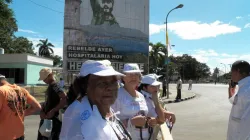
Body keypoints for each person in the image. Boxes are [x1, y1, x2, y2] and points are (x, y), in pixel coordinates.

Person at [60, 60, 131, 140]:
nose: (109, 88)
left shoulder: (106, 110)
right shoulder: (77, 113)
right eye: (101, 83)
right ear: (85, 86)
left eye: (113, 82)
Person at [112, 63, 153, 140]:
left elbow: (144, 115)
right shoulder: (117, 95)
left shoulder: (141, 96)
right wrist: (131, 122)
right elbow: (111, 122)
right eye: (130, 74)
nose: (133, 77)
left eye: (136, 74)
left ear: (139, 77)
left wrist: (150, 120)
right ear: (123, 78)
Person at [0, 74, 41, 140]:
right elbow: (37, 106)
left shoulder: (1, 91)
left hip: (4, 136)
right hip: (19, 134)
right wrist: (20, 113)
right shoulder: (22, 90)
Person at [37, 68, 67, 140]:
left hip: (53, 120)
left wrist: (53, 110)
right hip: (47, 118)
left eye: (44, 78)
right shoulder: (51, 86)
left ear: (50, 75)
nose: (44, 81)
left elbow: (64, 98)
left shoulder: (55, 86)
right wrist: (42, 111)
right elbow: (48, 101)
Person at [227, 60, 250, 140]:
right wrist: (230, 90)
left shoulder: (248, 89)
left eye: (231, 72)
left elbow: (247, 122)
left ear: (238, 71)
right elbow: (234, 102)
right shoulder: (241, 86)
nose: (231, 75)